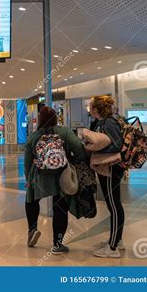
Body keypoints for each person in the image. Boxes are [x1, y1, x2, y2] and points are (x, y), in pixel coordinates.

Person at [24, 106, 87, 254]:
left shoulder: (34, 136)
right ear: (55, 118)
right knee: (60, 208)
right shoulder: (64, 132)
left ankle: (32, 229)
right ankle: (57, 244)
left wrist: (28, 180)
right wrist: (72, 163)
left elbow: (27, 162)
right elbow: (78, 149)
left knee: (31, 200)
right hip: (61, 175)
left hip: (39, 175)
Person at [89, 95, 125, 258]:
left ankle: (113, 248)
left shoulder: (109, 122)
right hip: (106, 167)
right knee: (112, 205)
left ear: (95, 109)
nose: (89, 109)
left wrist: (96, 150)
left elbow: (117, 144)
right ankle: (116, 240)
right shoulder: (101, 122)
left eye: (90, 106)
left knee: (114, 205)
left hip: (112, 167)